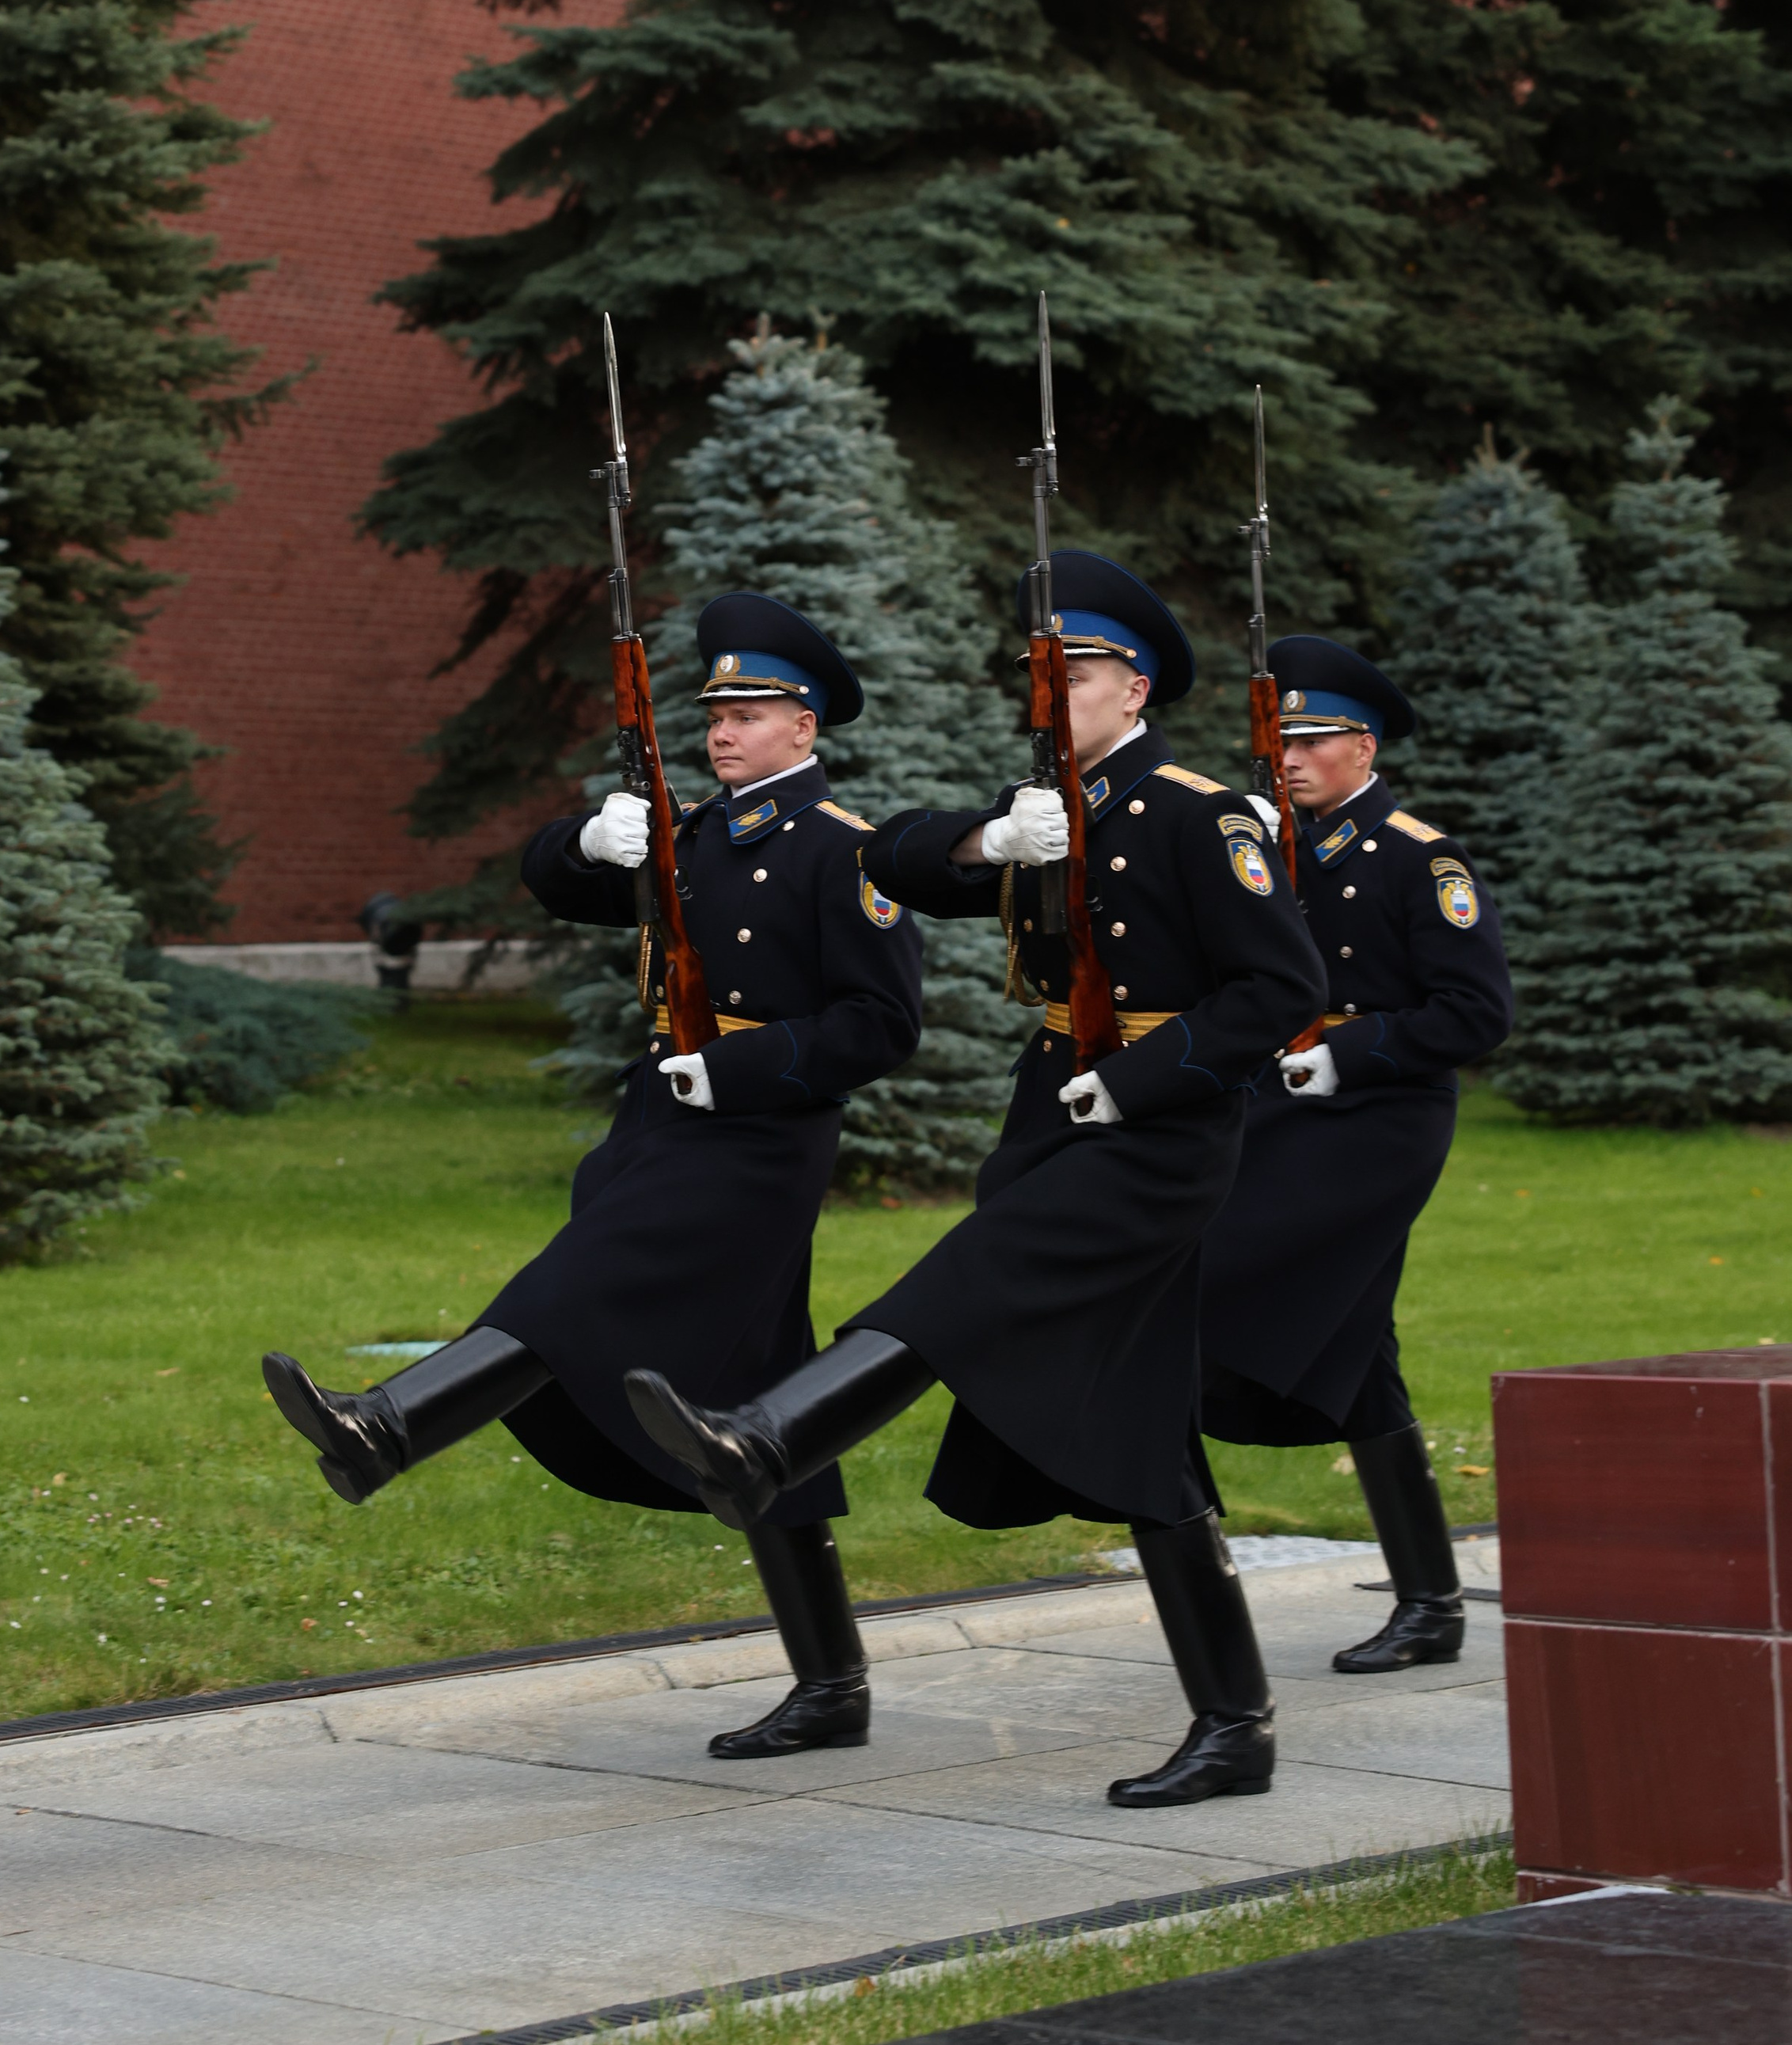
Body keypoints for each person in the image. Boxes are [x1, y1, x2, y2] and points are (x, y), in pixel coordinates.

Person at [628, 553, 1327, 1809]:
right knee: (1147, 1427)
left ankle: (774, 1436)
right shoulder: (1049, 805)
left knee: (966, 1282)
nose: (1050, 693)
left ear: (1138, 684)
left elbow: (1278, 991)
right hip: (1055, 1112)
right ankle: (1237, 1722)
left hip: (1159, 1135)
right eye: (1038, 675)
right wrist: (988, 838)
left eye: (1077, 673)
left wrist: (1142, 1080)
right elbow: (889, 859)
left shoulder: (1200, 812)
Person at [261, 593, 924, 1760]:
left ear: (805, 725)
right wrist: (586, 841)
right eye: (714, 711)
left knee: (575, 1289)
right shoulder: (700, 832)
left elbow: (882, 1025)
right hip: (659, 1118)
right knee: (767, 1396)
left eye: (751, 712)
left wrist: (741, 1070)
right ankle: (835, 1687)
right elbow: (555, 881)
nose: (722, 731)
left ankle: (388, 1427)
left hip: (760, 1136)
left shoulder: (845, 848)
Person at [1197, 636, 1513, 1673]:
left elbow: (1474, 1012)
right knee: (1360, 1348)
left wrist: (1350, 1052)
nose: (1285, 756)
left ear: (1361, 745)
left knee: (1221, 1269)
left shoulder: (1420, 855)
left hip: (1376, 1123)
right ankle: (1431, 1602)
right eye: (1276, 739)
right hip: (1277, 1108)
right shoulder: (1270, 847)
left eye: (1309, 739)